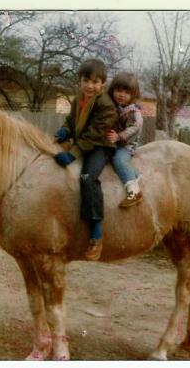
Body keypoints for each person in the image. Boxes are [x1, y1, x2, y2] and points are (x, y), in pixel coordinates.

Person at [53, 58, 118, 261]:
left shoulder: (105, 104)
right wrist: (64, 132)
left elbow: (95, 134)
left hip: (100, 147)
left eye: (96, 82)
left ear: (103, 84)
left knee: (88, 177)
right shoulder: (78, 99)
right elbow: (71, 121)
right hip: (84, 142)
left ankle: (96, 232)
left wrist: (73, 154)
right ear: (80, 81)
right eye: (86, 81)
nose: (90, 86)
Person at [106, 72, 144, 208]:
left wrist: (119, 136)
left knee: (119, 159)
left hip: (126, 145)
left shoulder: (133, 112)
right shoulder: (116, 107)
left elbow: (135, 128)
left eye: (127, 92)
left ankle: (134, 191)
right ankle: (134, 173)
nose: (122, 95)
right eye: (119, 90)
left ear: (133, 95)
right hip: (116, 141)